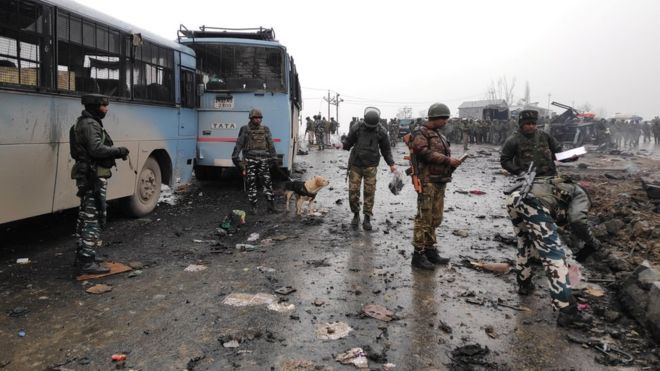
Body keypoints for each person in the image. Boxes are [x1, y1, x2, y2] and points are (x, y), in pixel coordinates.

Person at [500, 109, 598, 327]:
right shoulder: (513, 140)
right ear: (521, 124)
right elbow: (505, 160)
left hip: (521, 197)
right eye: (527, 124)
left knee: (525, 242)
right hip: (529, 190)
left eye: (533, 123)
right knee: (553, 254)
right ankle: (566, 310)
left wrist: (570, 156)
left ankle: (524, 282)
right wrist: (520, 172)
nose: (531, 127)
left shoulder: (545, 137)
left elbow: (559, 153)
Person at [69, 94, 129, 274]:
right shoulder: (89, 124)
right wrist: (119, 151)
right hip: (92, 177)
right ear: (95, 106)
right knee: (92, 218)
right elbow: (96, 149)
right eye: (103, 105)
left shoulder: (85, 123)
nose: (106, 109)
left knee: (85, 216)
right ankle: (87, 262)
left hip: (88, 175)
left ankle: (84, 256)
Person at [408, 103, 463, 270]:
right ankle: (418, 255)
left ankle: (430, 250)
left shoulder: (438, 134)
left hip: (440, 180)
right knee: (424, 218)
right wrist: (447, 161)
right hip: (427, 180)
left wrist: (452, 164)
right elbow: (422, 152)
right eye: (444, 118)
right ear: (435, 118)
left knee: (435, 218)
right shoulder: (421, 133)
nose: (446, 121)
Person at [342, 107, 396, 230]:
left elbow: (386, 150)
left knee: (369, 192)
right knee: (353, 191)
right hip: (356, 165)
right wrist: (342, 144)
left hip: (371, 166)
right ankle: (356, 215)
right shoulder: (357, 127)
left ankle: (367, 217)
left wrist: (391, 164)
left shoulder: (381, 131)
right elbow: (348, 142)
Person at [232, 108, 279, 214]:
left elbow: (270, 144)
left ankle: (271, 206)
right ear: (251, 118)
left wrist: (274, 158)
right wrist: (236, 158)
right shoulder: (245, 129)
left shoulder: (265, 129)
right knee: (251, 184)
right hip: (250, 160)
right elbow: (239, 144)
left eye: (259, 118)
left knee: (267, 183)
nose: (258, 120)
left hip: (263, 159)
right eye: (255, 118)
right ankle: (254, 208)